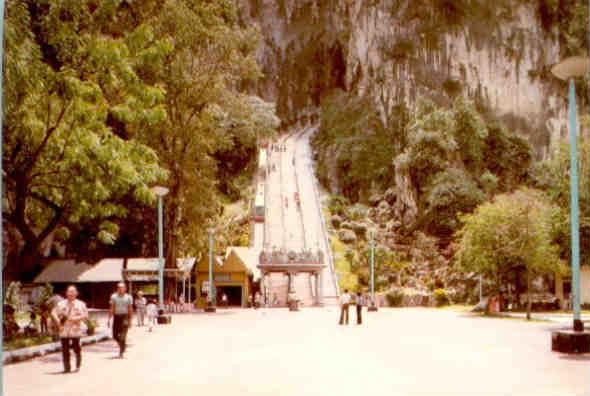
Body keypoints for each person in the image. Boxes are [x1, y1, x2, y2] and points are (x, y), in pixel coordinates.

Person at [51, 285, 88, 373]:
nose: (71, 294)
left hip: (75, 329)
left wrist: (76, 318)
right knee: (65, 349)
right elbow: (53, 313)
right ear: (66, 293)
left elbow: (86, 316)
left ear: (76, 293)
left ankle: (78, 364)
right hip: (64, 329)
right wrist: (58, 322)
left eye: (73, 292)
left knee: (76, 348)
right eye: (69, 292)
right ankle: (67, 368)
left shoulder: (81, 304)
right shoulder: (61, 304)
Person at [108, 282, 133, 358]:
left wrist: (130, 320)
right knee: (114, 335)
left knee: (122, 336)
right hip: (116, 317)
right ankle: (123, 345)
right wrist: (109, 319)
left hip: (125, 317)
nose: (121, 289)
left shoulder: (128, 297)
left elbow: (130, 309)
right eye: (119, 288)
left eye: (122, 288)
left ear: (125, 289)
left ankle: (121, 352)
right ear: (117, 289)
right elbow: (112, 307)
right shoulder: (114, 297)